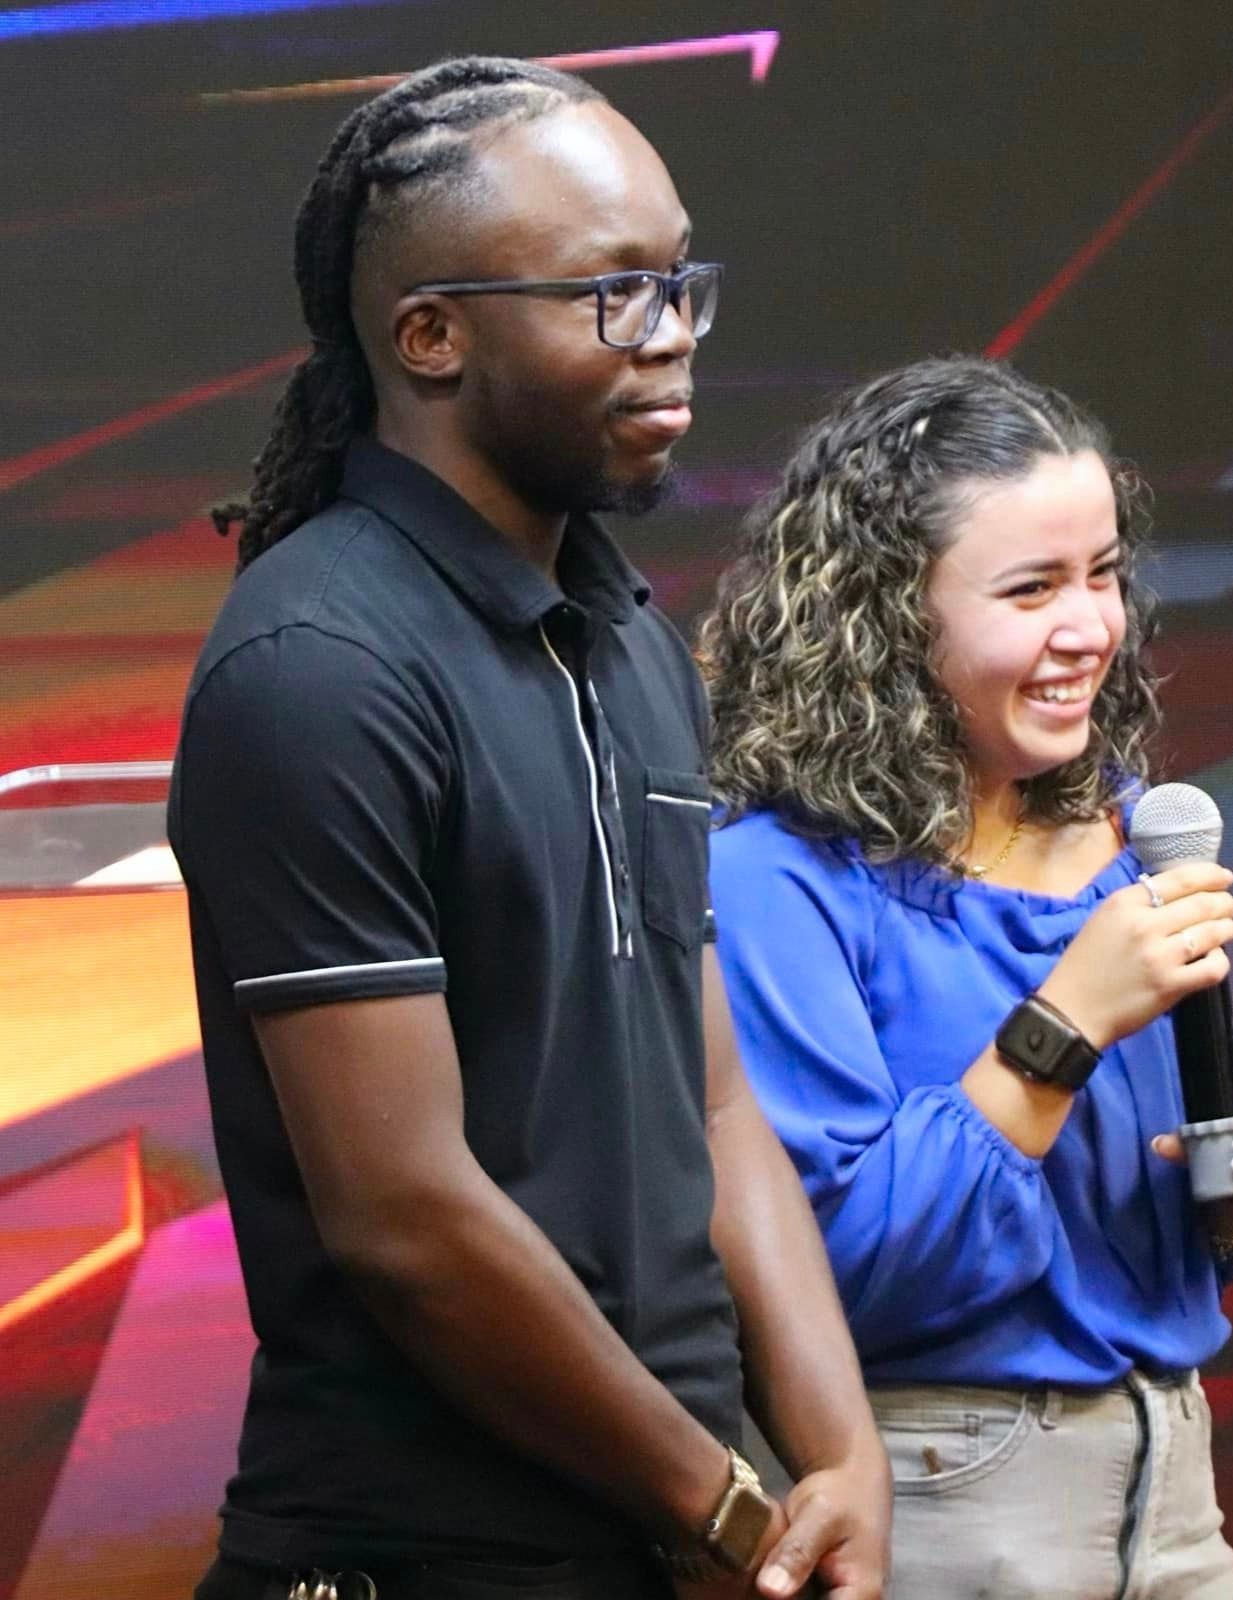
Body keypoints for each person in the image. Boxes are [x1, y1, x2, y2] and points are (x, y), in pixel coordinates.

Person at [168, 56, 889, 1600]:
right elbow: (407, 1219)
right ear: (429, 336)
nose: (674, 331)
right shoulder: (317, 665)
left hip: (673, 1529)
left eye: (681, 279)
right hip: (426, 1556)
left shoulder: (625, 637)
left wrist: (843, 1459)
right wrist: (722, 1514)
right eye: (610, 294)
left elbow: (714, 1109)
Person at [699, 356, 1233, 1598]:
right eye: (1032, 587)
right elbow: (832, 1287)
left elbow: (1142, 1214)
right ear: (886, 617)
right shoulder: (776, 882)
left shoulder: (1139, 836)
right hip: (941, 1504)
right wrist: (1059, 1023)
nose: (1090, 626)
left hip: (1174, 1495)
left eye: (1101, 574)